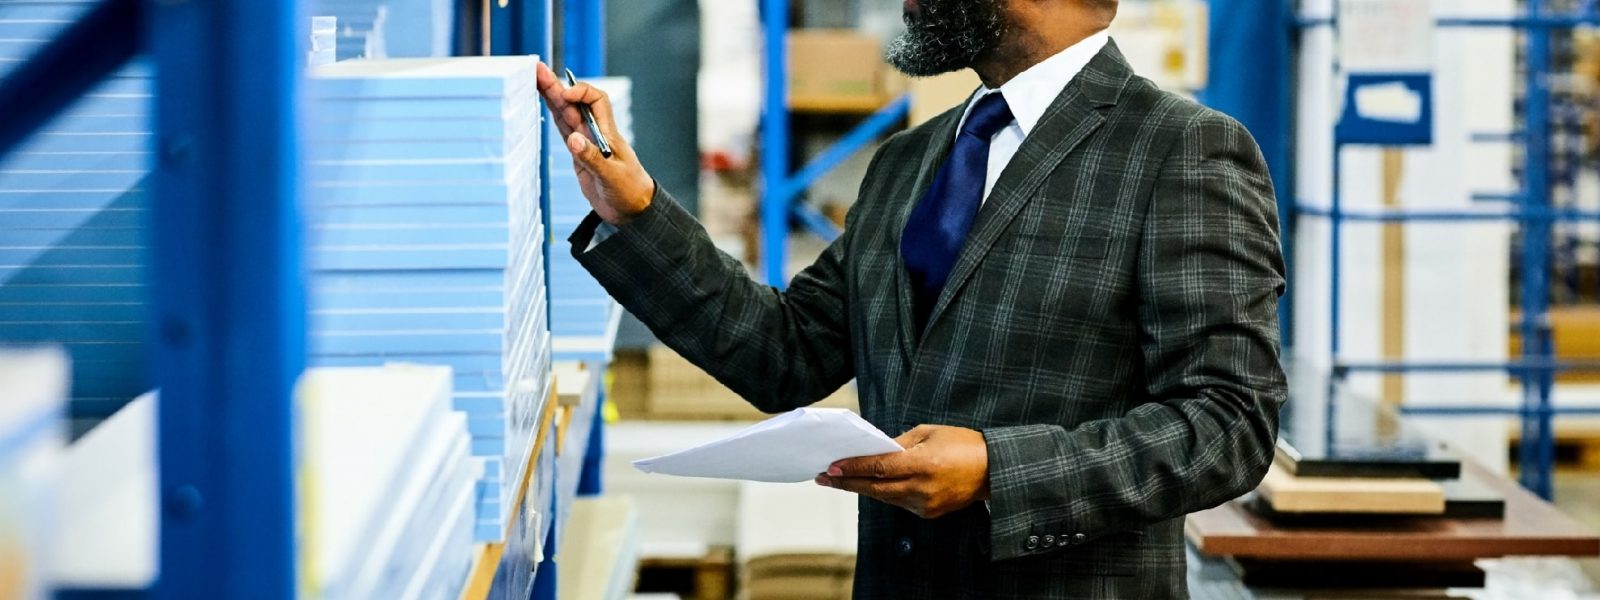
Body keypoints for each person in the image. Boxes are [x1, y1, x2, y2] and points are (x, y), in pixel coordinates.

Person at [536, 0, 1287, 596]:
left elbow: (1228, 423)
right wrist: (636, 212)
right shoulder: (910, 162)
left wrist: (999, 469)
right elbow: (783, 353)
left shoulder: (1181, 150)